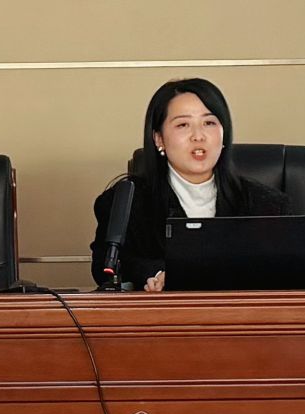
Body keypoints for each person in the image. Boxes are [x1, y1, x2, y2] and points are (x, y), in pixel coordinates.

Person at [88, 77, 285, 290]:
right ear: (159, 139)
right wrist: (157, 273)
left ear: (224, 133)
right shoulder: (126, 202)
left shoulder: (267, 205)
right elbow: (105, 268)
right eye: (183, 125)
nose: (198, 136)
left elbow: (297, 270)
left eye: (209, 123)